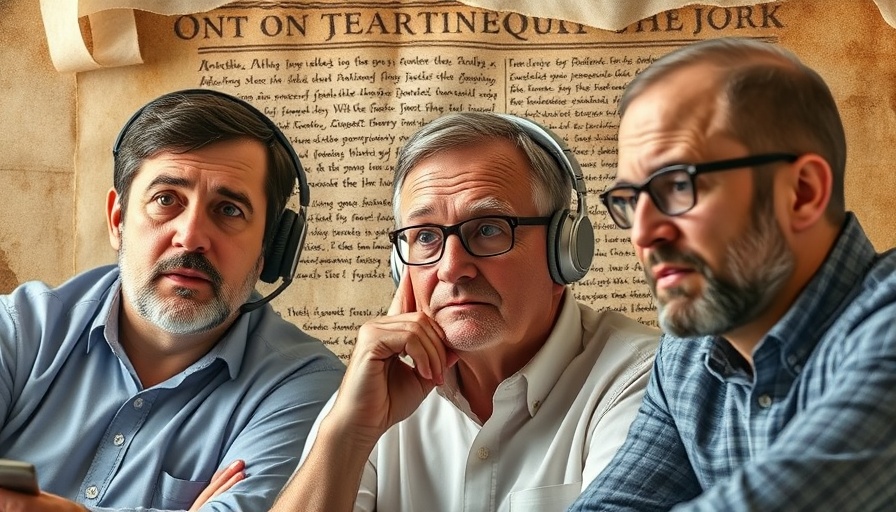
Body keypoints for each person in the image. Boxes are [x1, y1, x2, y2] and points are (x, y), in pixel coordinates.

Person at [569, 37, 896, 511]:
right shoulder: (684, 361)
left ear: (801, 192)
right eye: (630, 200)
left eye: (677, 185)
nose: (643, 233)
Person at [271, 112, 659, 512]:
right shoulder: (374, 393)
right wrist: (347, 433)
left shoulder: (645, 381)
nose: (451, 268)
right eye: (425, 237)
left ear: (565, 251)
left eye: (489, 228)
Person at [0, 90, 345, 511]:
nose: (192, 236)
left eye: (229, 210)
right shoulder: (18, 330)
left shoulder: (308, 387)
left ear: (268, 252)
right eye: (166, 200)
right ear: (118, 220)